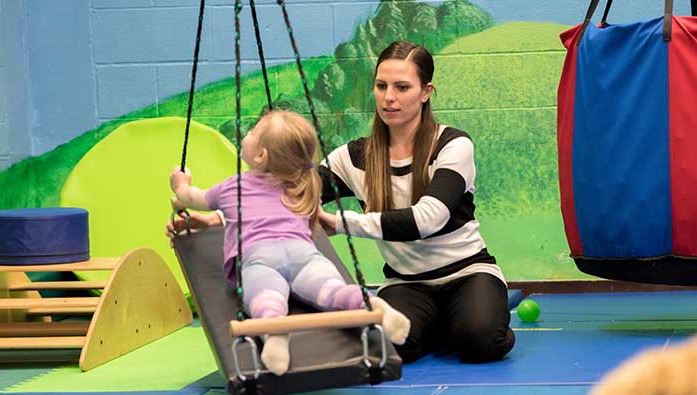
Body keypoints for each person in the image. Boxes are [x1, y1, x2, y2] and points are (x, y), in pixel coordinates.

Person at [169, 41, 514, 364]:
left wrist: (343, 223)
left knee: (479, 341)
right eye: (381, 86)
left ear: (426, 92)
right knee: (389, 346)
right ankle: (441, 324)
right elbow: (280, 198)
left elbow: (428, 219)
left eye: (402, 87)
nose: (388, 98)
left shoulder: (453, 145)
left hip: (468, 272)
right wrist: (215, 219)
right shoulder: (353, 156)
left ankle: (463, 320)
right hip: (407, 282)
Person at [168, 110, 409, 376]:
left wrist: (180, 185)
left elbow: (191, 197)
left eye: (252, 133)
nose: (246, 135)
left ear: (261, 155)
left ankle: (275, 332)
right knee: (331, 289)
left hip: (260, 257)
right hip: (303, 254)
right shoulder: (304, 186)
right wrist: (208, 221)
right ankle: (373, 306)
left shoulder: (233, 186)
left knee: (266, 295)